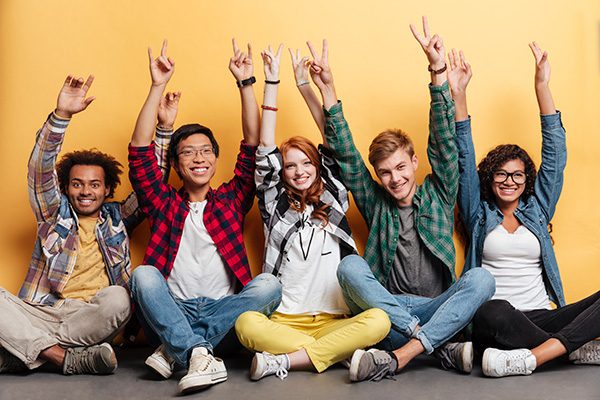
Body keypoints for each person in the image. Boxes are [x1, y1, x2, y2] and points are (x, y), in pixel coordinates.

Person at [308, 17, 495, 382]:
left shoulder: (439, 192)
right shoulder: (377, 202)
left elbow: (444, 144)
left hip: (439, 309)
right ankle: (436, 347)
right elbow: (346, 155)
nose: (395, 179)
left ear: (413, 161)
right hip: (389, 314)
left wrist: (437, 71)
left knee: (482, 279)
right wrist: (328, 90)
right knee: (348, 269)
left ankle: (410, 350)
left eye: (400, 167)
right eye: (385, 173)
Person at [127, 40, 282, 394]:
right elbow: (138, 152)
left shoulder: (230, 199)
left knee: (270, 285)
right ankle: (196, 349)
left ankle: (180, 348)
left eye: (206, 151)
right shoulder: (163, 202)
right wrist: (157, 86)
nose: (199, 158)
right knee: (144, 276)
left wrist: (246, 83)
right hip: (171, 314)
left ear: (215, 157)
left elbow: (253, 144)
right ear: (176, 164)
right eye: (188, 152)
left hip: (224, 314)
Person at [234, 44, 391, 381]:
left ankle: (290, 360)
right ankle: (335, 353)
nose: (299, 171)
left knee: (380, 320)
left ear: (318, 167)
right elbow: (265, 151)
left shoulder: (334, 196)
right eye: (290, 166)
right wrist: (271, 82)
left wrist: (306, 86)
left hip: (336, 318)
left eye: (307, 163)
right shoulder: (274, 206)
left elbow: (332, 139)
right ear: (282, 172)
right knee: (246, 323)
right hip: (286, 321)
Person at [0, 74, 170, 375]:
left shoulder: (118, 217)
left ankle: (25, 350)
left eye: (94, 185)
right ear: (66, 188)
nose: (86, 191)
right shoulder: (53, 214)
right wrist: (61, 116)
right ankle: (62, 357)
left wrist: (164, 130)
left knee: (120, 297)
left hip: (91, 318)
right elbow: (39, 172)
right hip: (42, 312)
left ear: (107, 190)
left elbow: (150, 184)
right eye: (77, 184)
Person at [453, 42, 600, 378]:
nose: (509, 181)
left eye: (517, 174)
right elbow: (463, 154)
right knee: (491, 311)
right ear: (489, 180)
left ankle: (534, 356)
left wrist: (541, 87)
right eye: (500, 174)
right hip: (499, 317)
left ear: (526, 179)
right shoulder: (479, 213)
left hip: (542, 315)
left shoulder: (537, 210)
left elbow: (555, 155)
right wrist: (459, 95)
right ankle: (573, 350)